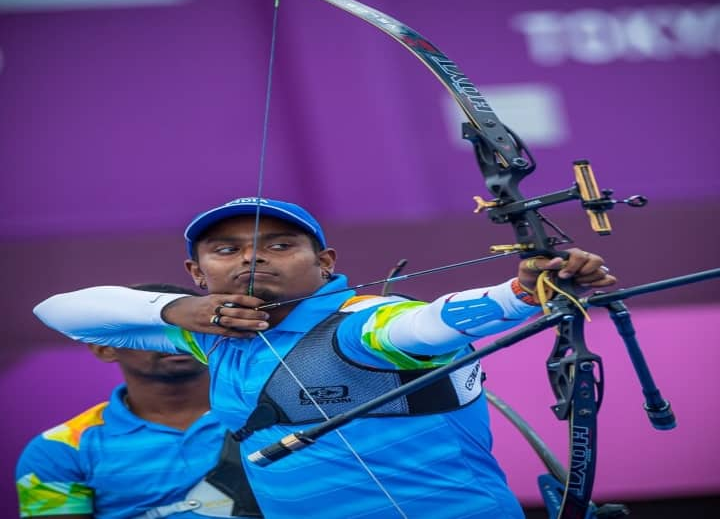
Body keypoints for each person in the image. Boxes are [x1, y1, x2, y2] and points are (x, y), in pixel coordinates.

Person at [33, 197, 616, 519]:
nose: (253, 259)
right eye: (226, 249)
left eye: (281, 245)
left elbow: (430, 321)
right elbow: (59, 309)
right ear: (197, 272)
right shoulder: (210, 335)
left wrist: (518, 294)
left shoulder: (367, 323)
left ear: (327, 262)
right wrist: (178, 312)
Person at [17, 284, 260, 519]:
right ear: (105, 349)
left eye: (188, 329)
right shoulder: (59, 448)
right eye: (150, 331)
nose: (171, 341)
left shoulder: (276, 414)